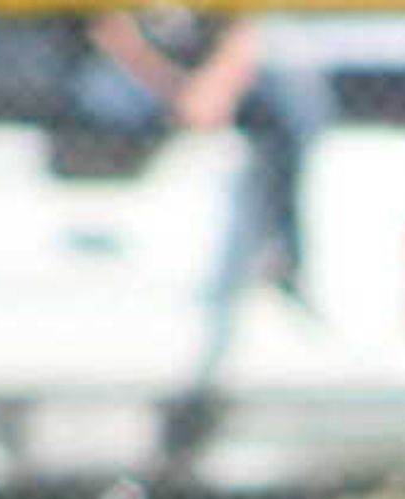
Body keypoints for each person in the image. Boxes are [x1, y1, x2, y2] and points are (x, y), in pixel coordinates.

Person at [76, 6, 321, 295]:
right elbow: (109, 31)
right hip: (140, 77)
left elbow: (244, 31)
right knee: (107, 99)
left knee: (292, 103)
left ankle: (280, 253)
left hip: (204, 75)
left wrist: (214, 88)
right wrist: (176, 91)